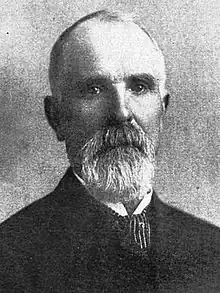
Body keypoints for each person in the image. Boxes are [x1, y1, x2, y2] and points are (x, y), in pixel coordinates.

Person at [0, 10, 220, 293]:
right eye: (93, 89)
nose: (121, 112)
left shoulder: (213, 250)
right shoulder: (9, 256)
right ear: (55, 117)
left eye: (139, 87)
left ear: (162, 109)